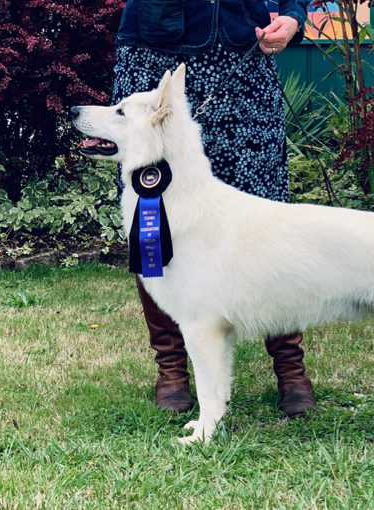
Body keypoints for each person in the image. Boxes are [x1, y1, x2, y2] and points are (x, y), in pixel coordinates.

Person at [112, 0, 315, 418]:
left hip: (243, 56)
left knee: (267, 222)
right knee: (156, 213)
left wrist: (294, 14)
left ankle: (290, 367)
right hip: (156, 54)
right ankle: (172, 371)